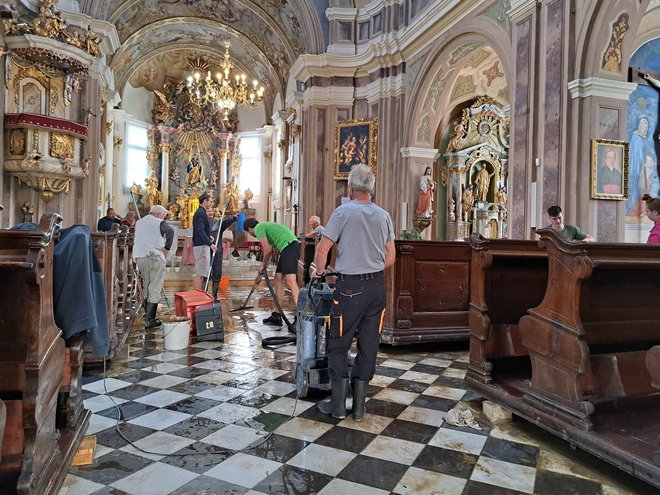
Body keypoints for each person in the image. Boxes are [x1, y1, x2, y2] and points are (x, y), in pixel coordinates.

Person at [310, 164, 395, 421]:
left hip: (349, 289)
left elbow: (324, 248)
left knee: (338, 343)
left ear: (350, 188)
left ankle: (337, 407)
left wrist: (318, 271)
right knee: (369, 344)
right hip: (377, 287)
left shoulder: (343, 212)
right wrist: (371, 266)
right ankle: (359, 409)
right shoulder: (384, 216)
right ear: (372, 189)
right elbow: (391, 257)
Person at [243, 217, 300, 326]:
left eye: (249, 232)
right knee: (278, 278)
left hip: (290, 246)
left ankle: (301, 317)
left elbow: (267, 251)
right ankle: (276, 315)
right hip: (288, 247)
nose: (251, 234)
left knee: (291, 281)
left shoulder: (258, 228)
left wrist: (261, 268)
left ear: (250, 229)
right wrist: (260, 272)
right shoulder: (265, 228)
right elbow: (268, 255)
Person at [133, 205, 174, 328]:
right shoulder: (159, 222)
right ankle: (150, 320)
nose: (163, 218)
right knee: (155, 287)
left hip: (140, 258)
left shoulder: (139, 222)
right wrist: (166, 249)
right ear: (158, 214)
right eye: (163, 216)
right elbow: (171, 231)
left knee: (147, 285)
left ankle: (147, 314)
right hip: (155, 258)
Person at [209, 214, 237, 300]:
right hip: (206, 249)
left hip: (217, 250)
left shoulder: (217, 223)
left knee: (217, 272)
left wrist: (233, 218)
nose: (209, 213)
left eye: (211, 211)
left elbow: (226, 222)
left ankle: (215, 295)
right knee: (205, 273)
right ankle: (203, 293)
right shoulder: (200, 222)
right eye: (207, 211)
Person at [192, 193, 216, 290]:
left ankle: (199, 293)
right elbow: (200, 230)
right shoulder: (202, 213)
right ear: (205, 201)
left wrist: (208, 236)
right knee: (201, 273)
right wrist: (210, 244)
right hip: (202, 246)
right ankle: (198, 294)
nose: (211, 203)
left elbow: (200, 229)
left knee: (201, 271)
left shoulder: (199, 212)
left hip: (200, 243)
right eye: (210, 201)